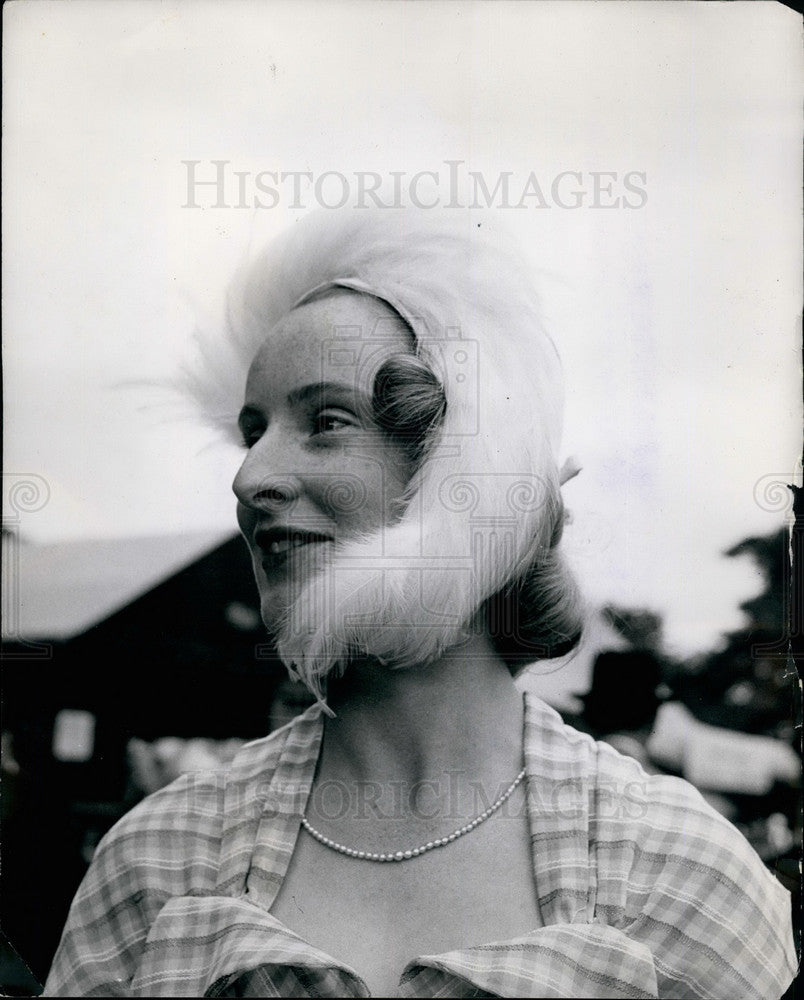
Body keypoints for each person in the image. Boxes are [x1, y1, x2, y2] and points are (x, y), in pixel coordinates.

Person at [44, 210, 797, 998]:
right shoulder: (160, 861)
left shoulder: (676, 875)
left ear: (458, 470)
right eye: (253, 430)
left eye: (326, 422)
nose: (249, 478)